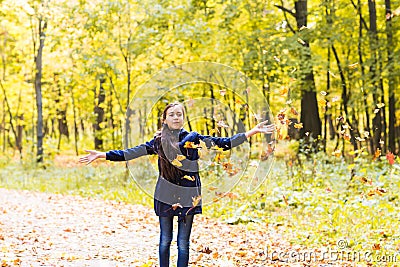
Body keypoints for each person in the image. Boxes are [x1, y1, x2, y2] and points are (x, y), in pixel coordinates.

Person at [79, 102, 275, 267]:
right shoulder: (157, 141)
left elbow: (223, 143)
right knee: (165, 240)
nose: (176, 117)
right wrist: (102, 155)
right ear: (164, 119)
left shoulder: (194, 138)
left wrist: (252, 132)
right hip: (165, 193)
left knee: (183, 242)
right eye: (171, 114)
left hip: (189, 194)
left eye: (179, 114)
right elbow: (129, 153)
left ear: (183, 117)